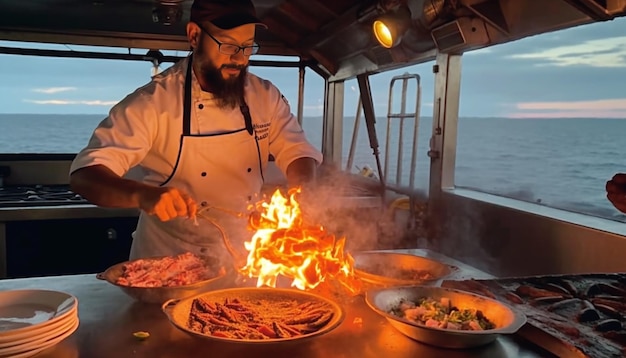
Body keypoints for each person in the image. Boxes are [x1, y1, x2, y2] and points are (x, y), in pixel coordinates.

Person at [69, 0, 323, 264]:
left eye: (248, 47)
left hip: (241, 256)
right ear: (194, 35)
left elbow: (297, 152)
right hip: (169, 261)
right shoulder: (153, 103)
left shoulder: (264, 96)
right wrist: (142, 194)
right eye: (228, 45)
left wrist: (301, 195)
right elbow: (85, 176)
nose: (239, 58)